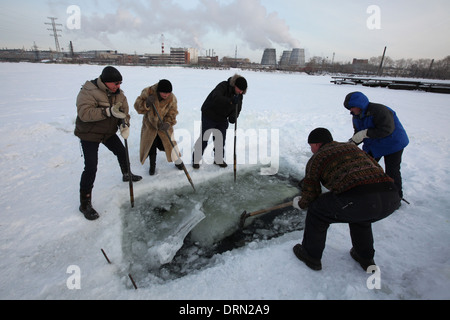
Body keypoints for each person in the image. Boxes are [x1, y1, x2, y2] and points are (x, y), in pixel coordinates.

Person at [292, 128, 401, 271]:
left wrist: (300, 203)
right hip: (391, 197)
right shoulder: (351, 148)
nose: (311, 149)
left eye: (311, 146)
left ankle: (311, 255)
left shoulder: (317, 158)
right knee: (361, 213)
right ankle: (364, 257)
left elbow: (311, 195)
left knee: (317, 211)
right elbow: (377, 168)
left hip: (361, 199)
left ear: (317, 144)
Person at [75, 66, 142, 221]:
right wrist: (108, 112)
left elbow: (125, 113)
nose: (118, 86)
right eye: (115, 83)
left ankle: (127, 174)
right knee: (91, 167)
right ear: (105, 82)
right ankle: (85, 204)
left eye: (120, 83)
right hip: (89, 133)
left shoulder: (120, 95)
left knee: (121, 151)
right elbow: (84, 114)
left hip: (108, 132)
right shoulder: (88, 91)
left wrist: (124, 123)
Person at [344, 92, 409, 199]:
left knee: (392, 170)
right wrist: (352, 143)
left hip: (394, 143)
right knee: (365, 167)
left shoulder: (379, 111)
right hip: (374, 145)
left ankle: (396, 197)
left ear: (359, 105)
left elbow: (387, 129)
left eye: (352, 107)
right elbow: (358, 133)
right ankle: (366, 192)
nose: (350, 111)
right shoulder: (356, 116)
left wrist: (365, 133)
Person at [192, 74, 247, 169]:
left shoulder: (239, 95)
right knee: (205, 137)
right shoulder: (223, 86)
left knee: (220, 139)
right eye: (239, 89)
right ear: (234, 85)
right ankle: (196, 159)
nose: (240, 92)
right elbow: (216, 97)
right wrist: (230, 101)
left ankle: (218, 159)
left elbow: (238, 108)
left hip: (222, 117)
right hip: (209, 113)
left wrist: (234, 117)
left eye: (242, 91)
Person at [134, 79, 183, 175]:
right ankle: (152, 166)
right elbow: (137, 106)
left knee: (169, 144)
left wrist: (168, 123)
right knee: (151, 145)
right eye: (164, 93)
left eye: (168, 93)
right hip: (150, 126)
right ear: (158, 91)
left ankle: (177, 161)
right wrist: (146, 103)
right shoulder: (148, 92)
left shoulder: (172, 98)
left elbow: (172, 112)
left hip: (163, 125)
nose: (166, 95)